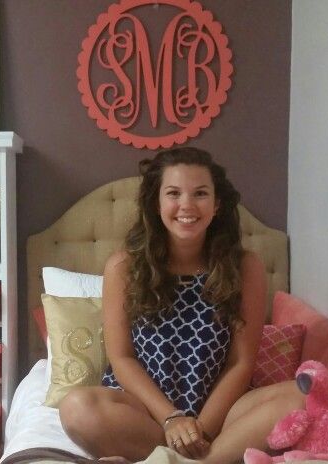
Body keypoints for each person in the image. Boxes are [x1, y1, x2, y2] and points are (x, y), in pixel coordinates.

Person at [58, 148, 304, 464]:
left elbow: (240, 362)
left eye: (200, 193)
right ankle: (205, 457)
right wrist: (172, 419)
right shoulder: (123, 267)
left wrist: (199, 428)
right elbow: (122, 358)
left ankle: (191, 459)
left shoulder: (246, 267)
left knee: (305, 394)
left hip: (222, 413)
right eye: (173, 193)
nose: (187, 205)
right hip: (146, 413)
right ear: (156, 203)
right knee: (76, 407)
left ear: (216, 204)